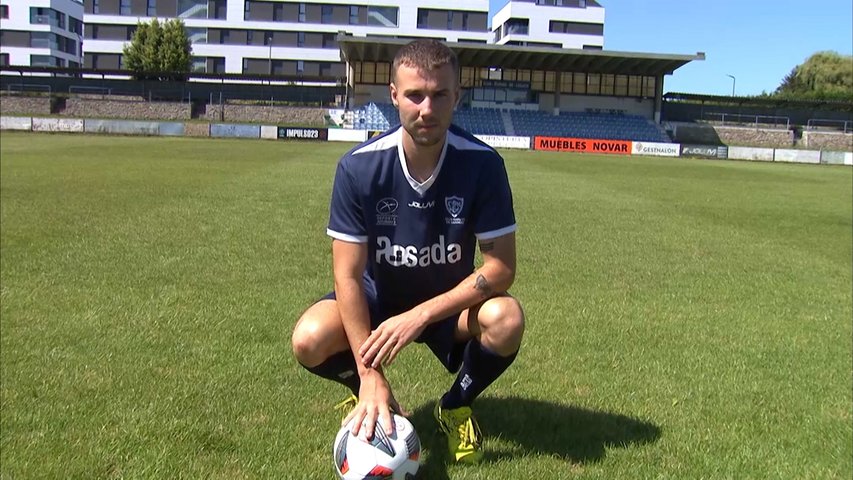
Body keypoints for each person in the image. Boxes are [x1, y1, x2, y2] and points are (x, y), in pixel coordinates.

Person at [291, 39, 524, 464]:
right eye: (415, 95)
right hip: (378, 302)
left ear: (457, 95)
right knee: (309, 339)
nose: (427, 109)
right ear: (394, 95)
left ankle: (454, 406)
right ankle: (369, 396)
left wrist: (419, 316)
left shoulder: (483, 164)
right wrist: (368, 373)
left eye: (439, 95)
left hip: (445, 305)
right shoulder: (358, 167)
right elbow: (347, 275)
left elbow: (502, 268)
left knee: (506, 319)